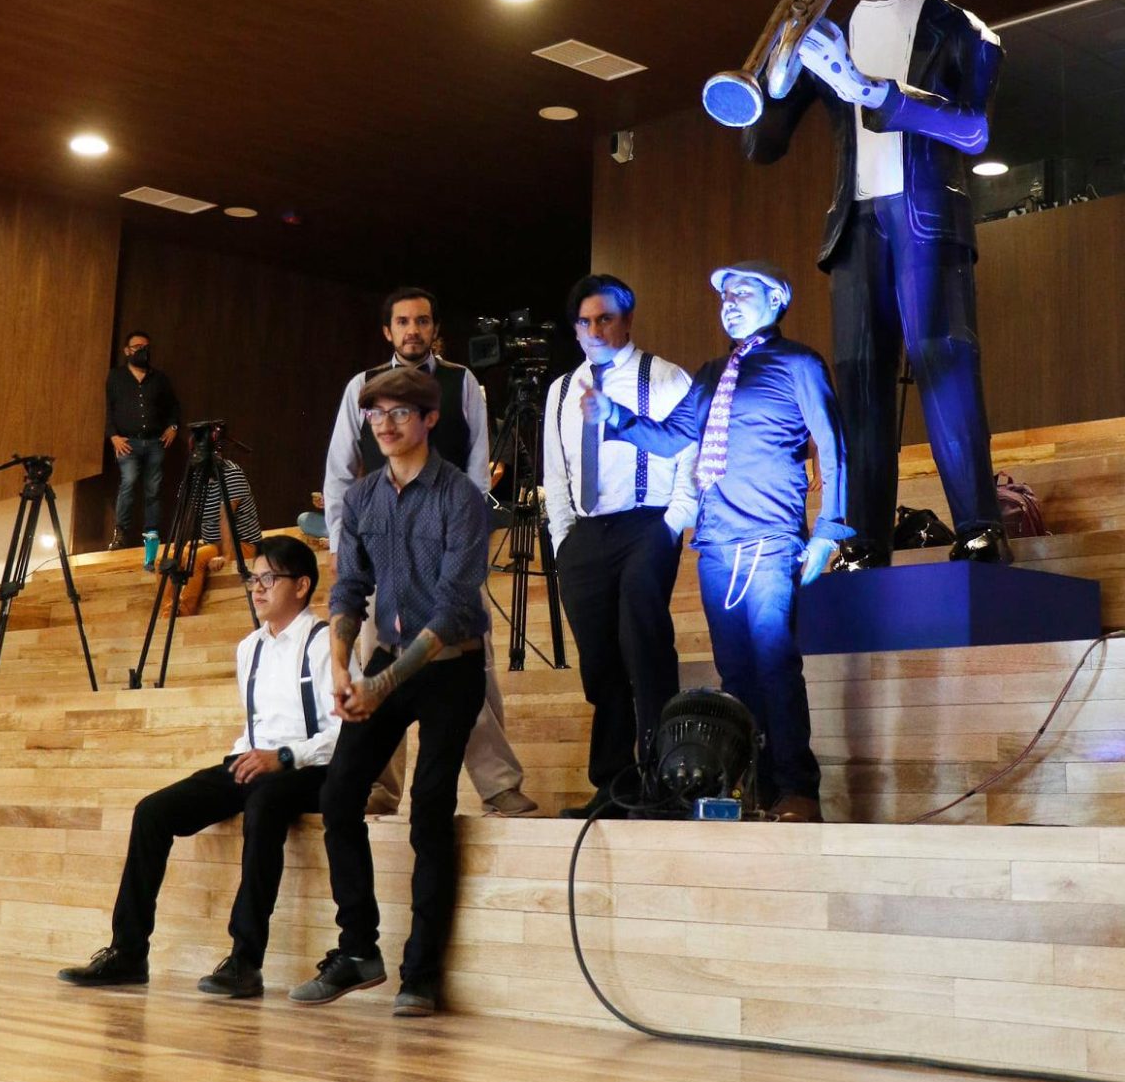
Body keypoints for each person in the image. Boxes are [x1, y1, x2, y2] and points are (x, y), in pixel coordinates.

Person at [740, 0, 1005, 567]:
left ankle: (979, 524)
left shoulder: (962, 28)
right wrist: (780, 67)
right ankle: (863, 537)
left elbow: (972, 127)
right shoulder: (831, 23)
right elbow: (762, 145)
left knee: (943, 360)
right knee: (859, 377)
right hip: (856, 224)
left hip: (927, 217)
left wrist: (873, 92)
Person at [581, 261, 849, 823]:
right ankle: (752, 790)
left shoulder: (799, 363)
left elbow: (832, 443)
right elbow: (672, 437)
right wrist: (615, 416)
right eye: (724, 294)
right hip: (717, 542)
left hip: (770, 535)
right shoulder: (710, 374)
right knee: (737, 674)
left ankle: (796, 787)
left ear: (776, 300)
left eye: (742, 291)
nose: (729, 301)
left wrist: (830, 527)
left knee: (775, 664)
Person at [58, 537, 341, 999]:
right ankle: (128, 952)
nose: (257, 588)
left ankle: (245, 962)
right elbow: (253, 724)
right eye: (253, 578)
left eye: (269, 578)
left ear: (302, 585)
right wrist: (245, 760)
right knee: (153, 811)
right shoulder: (249, 647)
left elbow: (344, 731)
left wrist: (286, 756)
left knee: (264, 805)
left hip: (310, 767)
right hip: (253, 759)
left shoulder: (324, 642)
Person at [290, 368, 488, 1018]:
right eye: (375, 414)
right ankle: (357, 950)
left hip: (451, 665)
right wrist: (340, 669)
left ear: (429, 419)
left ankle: (421, 976)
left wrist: (379, 685)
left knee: (429, 808)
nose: (385, 424)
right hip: (386, 658)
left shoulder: (461, 497)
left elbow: (453, 611)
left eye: (400, 412)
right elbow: (349, 590)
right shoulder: (364, 497)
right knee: (339, 794)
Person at [318, 286, 535, 818]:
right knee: (380, 662)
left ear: (434, 329)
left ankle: (498, 785)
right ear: (387, 331)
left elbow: (479, 468)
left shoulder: (463, 383)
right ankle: (380, 787)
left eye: (422, 321)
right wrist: (344, 545)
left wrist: (467, 538)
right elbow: (339, 473)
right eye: (402, 322)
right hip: (380, 547)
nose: (412, 330)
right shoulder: (361, 387)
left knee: (469, 669)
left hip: (449, 543)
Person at [544, 274, 698, 819]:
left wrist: (672, 523)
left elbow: (690, 455)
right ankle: (612, 784)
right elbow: (555, 472)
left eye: (605, 318)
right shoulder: (560, 391)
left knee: (645, 648)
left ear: (627, 320)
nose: (594, 330)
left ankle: (662, 782)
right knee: (599, 663)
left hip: (645, 525)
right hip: (584, 536)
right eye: (584, 322)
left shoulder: (666, 377)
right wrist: (562, 539)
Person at [105, 330, 180, 558]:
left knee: (153, 489)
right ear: (127, 350)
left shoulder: (160, 378)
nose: (142, 351)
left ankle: (152, 534)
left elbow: (173, 406)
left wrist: (173, 427)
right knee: (128, 483)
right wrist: (113, 436)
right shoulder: (116, 376)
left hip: (155, 442)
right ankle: (121, 533)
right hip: (127, 442)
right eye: (137, 347)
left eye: (145, 347)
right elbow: (109, 408)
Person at [163, 455, 261, 617]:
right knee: (167, 559)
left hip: (241, 544)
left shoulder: (231, 474)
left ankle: (184, 614)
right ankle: (167, 614)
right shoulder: (193, 478)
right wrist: (179, 546)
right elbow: (186, 514)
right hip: (212, 544)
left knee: (197, 558)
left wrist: (226, 555)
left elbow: (226, 516)